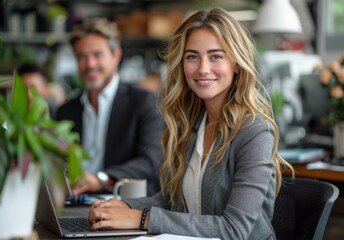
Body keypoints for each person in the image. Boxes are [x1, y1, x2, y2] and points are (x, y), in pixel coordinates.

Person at [88, 7, 294, 239]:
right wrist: (122, 207)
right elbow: (173, 201)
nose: (202, 68)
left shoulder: (254, 132)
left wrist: (141, 218)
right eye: (192, 57)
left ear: (236, 63)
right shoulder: (190, 123)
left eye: (216, 56)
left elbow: (234, 229)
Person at [55, 18, 164, 196]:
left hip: (124, 204)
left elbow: (151, 161)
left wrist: (101, 178)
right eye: (82, 57)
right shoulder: (66, 111)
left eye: (97, 55)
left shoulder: (144, 102)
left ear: (116, 56)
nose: (90, 64)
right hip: (73, 202)